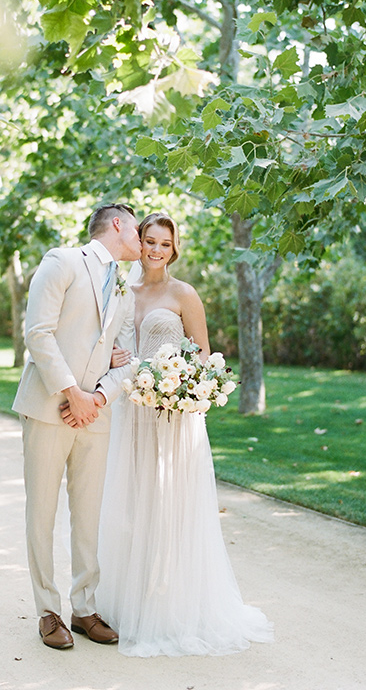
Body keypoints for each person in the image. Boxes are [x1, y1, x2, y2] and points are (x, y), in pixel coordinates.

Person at [96, 212, 274, 657]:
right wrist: (116, 355)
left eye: (164, 244)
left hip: (172, 419)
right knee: (130, 506)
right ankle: (130, 603)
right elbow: (105, 350)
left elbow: (203, 359)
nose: (156, 250)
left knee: (170, 507)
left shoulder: (183, 293)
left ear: (174, 248)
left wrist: (174, 388)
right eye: (150, 241)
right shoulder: (121, 291)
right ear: (139, 242)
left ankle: (172, 608)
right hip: (129, 417)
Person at [12, 203, 141, 650]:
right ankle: (48, 612)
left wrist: (100, 396)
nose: (144, 241)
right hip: (50, 407)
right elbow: (38, 333)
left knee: (89, 516)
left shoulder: (125, 288)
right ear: (119, 224)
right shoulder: (63, 261)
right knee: (42, 512)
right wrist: (73, 393)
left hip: (97, 415)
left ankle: (84, 608)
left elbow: (126, 356)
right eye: (139, 229)